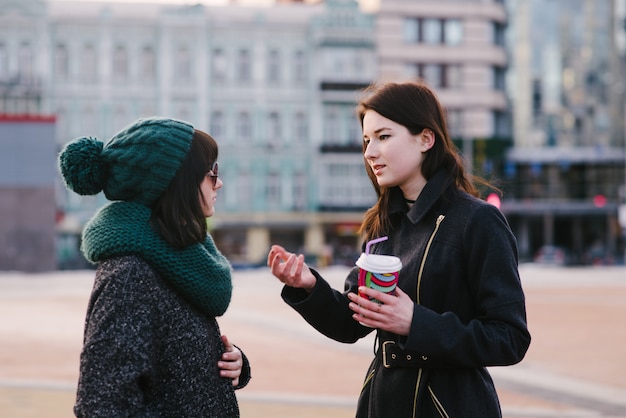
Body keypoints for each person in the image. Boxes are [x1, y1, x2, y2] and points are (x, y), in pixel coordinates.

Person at [267, 81, 531, 417]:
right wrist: (307, 286)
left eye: (383, 136)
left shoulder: (478, 221)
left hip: (450, 405)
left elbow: (510, 338)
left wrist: (416, 323)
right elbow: (352, 324)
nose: (369, 152)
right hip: (382, 402)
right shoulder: (383, 224)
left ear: (425, 138)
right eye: (366, 140)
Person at [58, 117, 251, 417]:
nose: (219, 182)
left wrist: (228, 361)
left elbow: (168, 367)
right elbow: (102, 405)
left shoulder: (179, 258)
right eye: (211, 173)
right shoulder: (129, 277)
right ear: (177, 183)